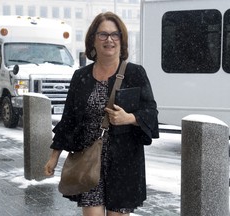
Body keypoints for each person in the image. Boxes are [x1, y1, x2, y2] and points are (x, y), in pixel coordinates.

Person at [44, 11, 159, 216]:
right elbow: (68, 120)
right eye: (103, 35)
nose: (109, 40)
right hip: (88, 160)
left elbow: (151, 112)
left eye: (115, 35)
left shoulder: (135, 73)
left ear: (121, 40)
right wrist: (54, 157)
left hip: (124, 163)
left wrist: (130, 118)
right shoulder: (81, 77)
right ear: (93, 41)